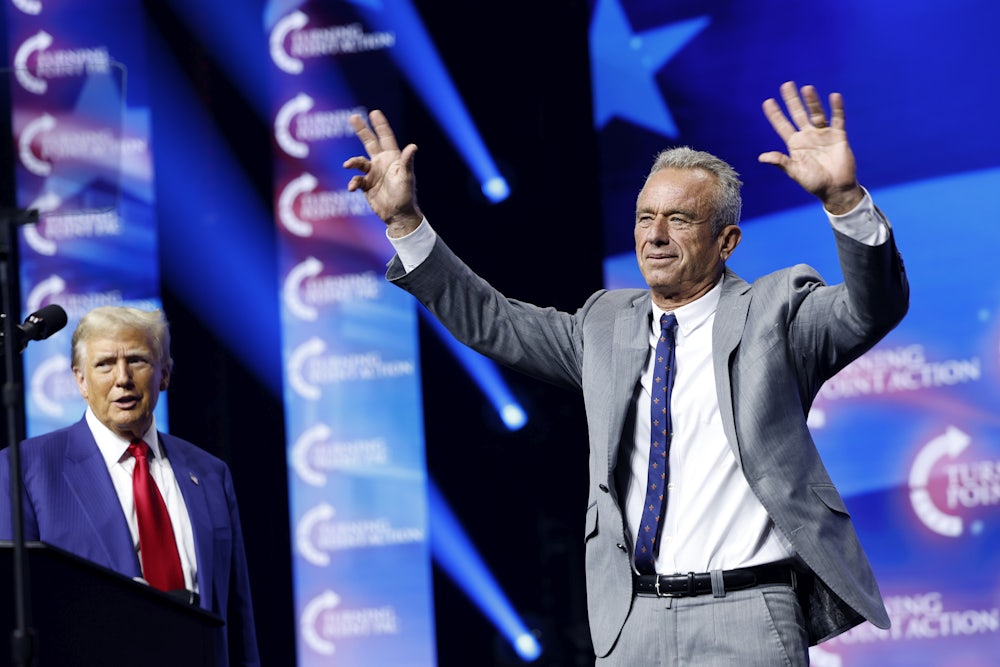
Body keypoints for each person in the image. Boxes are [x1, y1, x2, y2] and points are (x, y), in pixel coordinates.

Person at [345, 81, 909, 665]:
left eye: (679, 219)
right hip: (633, 621)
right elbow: (493, 321)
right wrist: (407, 223)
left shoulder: (779, 310)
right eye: (645, 217)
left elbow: (873, 307)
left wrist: (845, 200)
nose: (655, 234)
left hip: (745, 612)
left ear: (727, 241)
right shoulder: (605, 323)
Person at [0, 306, 259, 666]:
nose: (122, 378)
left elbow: (237, 617)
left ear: (165, 374)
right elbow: (14, 610)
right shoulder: (26, 469)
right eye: (104, 364)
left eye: (137, 361)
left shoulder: (211, 474)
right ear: (80, 381)